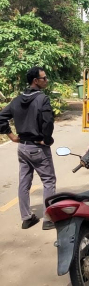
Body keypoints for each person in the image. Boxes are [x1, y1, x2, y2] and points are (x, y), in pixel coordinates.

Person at [0, 66, 56, 230]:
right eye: (44, 78)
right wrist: (46, 140)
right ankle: (49, 218)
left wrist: (11, 136)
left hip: (23, 148)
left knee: (24, 182)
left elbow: (1, 117)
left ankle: (26, 218)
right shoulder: (42, 99)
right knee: (49, 181)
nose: (46, 80)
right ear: (35, 81)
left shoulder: (17, 100)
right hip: (38, 147)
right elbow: (48, 123)